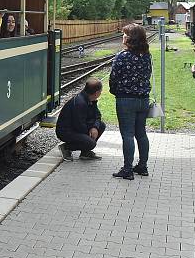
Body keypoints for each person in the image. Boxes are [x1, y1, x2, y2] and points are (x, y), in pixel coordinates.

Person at [109, 23, 152, 180]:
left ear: (130, 39)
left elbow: (113, 78)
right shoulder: (147, 55)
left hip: (126, 100)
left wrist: (116, 92)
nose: (123, 36)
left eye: (125, 34)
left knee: (127, 135)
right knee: (141, 133)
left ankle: (127, 169)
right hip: (143, 100)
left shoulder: (122, 56)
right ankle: (142, 166)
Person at [56, 78, 106, 161]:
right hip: (66, 131)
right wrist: (89, 136)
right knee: (91, 143)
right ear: (97, 93)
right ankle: (66, 147)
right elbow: (79, 125)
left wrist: (94, 127)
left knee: (101, 125)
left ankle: (85, 153)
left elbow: (97, 116)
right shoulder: (80, 103)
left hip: (77, 127)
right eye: (101, 91)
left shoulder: (91, 100)